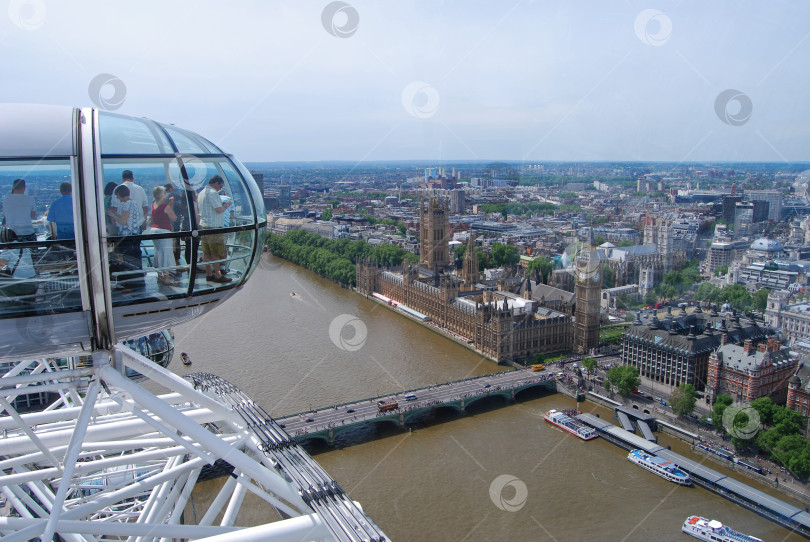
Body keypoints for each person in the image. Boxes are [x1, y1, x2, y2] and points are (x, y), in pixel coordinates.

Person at [107, 184, 145, 290]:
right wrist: (115, 214)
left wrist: (113, 215)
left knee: (126, 260)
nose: (117, 198)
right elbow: (128, 220)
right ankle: (137, 282)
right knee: (135, 259)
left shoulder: (126, 204)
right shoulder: (133, 203)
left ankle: (129, 284)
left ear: (120, 194)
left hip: (126, 237)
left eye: (117, 196)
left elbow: (123, 222)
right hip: (135, 235)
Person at [196, 175, 232, 283]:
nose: (220, 189)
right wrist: (227, 205)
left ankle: (208, 274)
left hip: (204, 226)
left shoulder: (202, 192)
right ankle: (218, 275)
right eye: (220, 186)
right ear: (216, 183)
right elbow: (219, 210)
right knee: (216, 253)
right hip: (214, 227)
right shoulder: (213, 193)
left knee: (207, 253)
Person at [149, 186, 178, 285]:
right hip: (164, 231)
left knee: (158, 253)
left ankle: (160, 276)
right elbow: (174, 218)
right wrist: (171, 204)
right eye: (165, 193)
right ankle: (166, 277)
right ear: (162, 194)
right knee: (166, 253)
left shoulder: (154, 205)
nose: (166, 195)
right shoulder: (166, 206)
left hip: (154, 230)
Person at [0, 228, 36, 298]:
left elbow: (0, 266)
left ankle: (10, 306)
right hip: (33, 284)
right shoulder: (24, 247)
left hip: (21, 285)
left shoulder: (8, 250)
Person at [164, 183, 190, 270]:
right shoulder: (174, 198)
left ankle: (169, 265)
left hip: (165, 227)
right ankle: (176, 263)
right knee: (176, 245)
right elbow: (184, 212)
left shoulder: (162, 199)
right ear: (171, 188)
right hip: (174, 226)